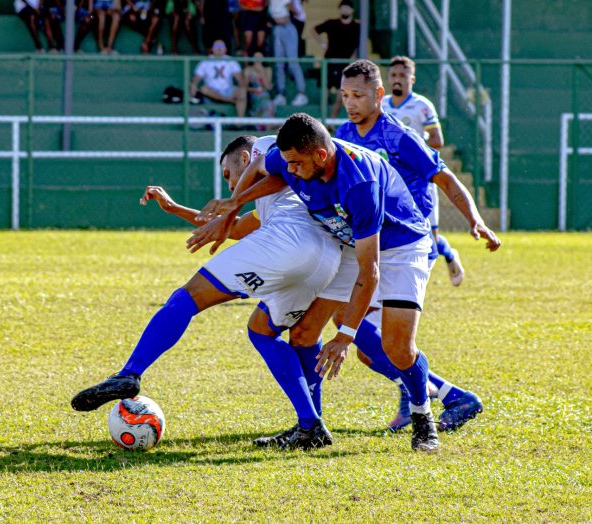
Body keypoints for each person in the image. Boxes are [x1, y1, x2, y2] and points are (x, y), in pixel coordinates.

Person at [71, 135, 344, 450]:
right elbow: (238, 227)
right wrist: (174, 209)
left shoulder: (267, 147)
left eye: (228, 174)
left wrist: (234, 202)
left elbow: (268, 178)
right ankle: (312, 425)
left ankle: (129, 373)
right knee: (266, 333)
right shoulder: (285, 196)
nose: (230, 186)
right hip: (325, 260)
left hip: (287, 242)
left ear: (244, 158)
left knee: (185, 298)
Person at [191, 113, 443, 452]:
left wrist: (344, 337)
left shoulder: (359, 186)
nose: (290, 170)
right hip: (350, 242)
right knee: (304, 334)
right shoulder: (297, 156)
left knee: (398, 348)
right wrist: (235, 203)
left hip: (399, 247)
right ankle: (311, 430)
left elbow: (370, 271)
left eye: (296, 164)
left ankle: (422, 413)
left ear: (321, 156)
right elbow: (269, 169)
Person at [334, 59, 501, 430]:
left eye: (359, 95)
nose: (351, 102)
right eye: (345, 95)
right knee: (368, 344)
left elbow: (445, 178)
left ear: (378, 94)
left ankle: (433, 398)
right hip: (372, 243)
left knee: (381, 338)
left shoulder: (398, 136)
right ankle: (432, 396)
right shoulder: (343, 133)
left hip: (409, 242)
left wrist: (476, 220)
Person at [383, 55, 464, 286]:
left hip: (418, 179)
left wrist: (414, 145)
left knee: (429, 235)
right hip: (391, 181)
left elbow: (438, 139)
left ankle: (448, 254)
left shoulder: (422, 105)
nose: (397, 80)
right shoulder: (382, 105)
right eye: (394, 75)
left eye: (402, 75)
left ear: (412, 78)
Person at [310, 0, 359, 119]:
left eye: (347, 8)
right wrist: (322, 43)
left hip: (345, 65)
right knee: (325, 93)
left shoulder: (357, 27)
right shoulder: (332, 23)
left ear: (352, 10)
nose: (345, 10)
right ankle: (322, 120)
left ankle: (331, 121)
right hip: (329, 63)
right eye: (343, 7)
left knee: (340, 95)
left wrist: (353, 59)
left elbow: (358, 46)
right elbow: (314, 30)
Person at [189, 40, 247, 118]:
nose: (219, 49)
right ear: (212, 49)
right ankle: (229, 100)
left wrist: (243, 88)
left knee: (242, 92)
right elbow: (195, 80)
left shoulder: (231, 61)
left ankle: (240, 123)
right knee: (203, 89)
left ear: (226, 49)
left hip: (228, 90)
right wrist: (193, 86)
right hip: (212, 92)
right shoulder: (205, 62)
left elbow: (240, 80)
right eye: (216, 47)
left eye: (221, 47)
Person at [268, 0, 307, 108]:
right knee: (279, 63)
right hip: (277, 28)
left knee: (292, 62)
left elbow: (297, 12)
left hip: (288, 28)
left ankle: (301, 93)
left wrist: (288, 11)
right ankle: (281, 94)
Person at [243, 52, 276, 124]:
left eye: (260, 57)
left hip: (265, 95)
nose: (258, 59)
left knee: (268, 103)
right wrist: (254, 90)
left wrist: (261, 72)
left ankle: (267, 125)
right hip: (253, 95)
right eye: (256, 57)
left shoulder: (268, 69)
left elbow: (268, 86)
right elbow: (244, 87)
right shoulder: (248, 69)